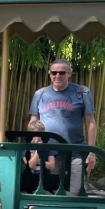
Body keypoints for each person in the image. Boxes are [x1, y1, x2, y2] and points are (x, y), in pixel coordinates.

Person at [29, 59, 96, 193]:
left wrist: (92, 152)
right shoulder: (40, 94)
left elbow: (90, 122)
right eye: (54, 72)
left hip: (74, 151)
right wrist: (33, 145)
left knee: (75, 191)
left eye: (62, 72)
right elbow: (33, 121)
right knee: (48, 191)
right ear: (50, 74)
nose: (57, 76)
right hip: (48, 153)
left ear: (69, 74)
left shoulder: (82, 92)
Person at [21, 119, 59, 193]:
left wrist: (36, 160)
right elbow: (31, 165)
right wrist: (38, 151)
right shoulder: (25, 148)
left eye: (40, 134)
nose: (37, 137)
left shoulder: (48, 148)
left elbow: (51, 165)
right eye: (35, 134)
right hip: (30, 180)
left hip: (45, 179)